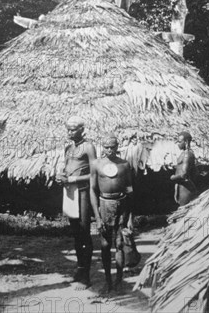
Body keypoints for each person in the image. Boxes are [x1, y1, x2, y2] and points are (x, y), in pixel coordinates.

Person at [55, 116, 96, 288]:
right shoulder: (68, 148)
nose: (70, 132)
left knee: (84, 231)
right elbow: (66, 168)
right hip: (70, 192)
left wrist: (74, 179)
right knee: (76, 233)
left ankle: (86, 275)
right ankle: (79, 269)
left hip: (83, 192)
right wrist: (61, 176)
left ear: (82, 129)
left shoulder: (88, 147)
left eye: (73, 129)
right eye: (68, 129)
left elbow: (95, 174)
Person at [90, 135, 134, 293]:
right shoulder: (96, 164)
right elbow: (93, 190)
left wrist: (130, 217)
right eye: (106, 147)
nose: (109, 150)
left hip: (122, 205)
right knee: (105, 245)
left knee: (120, 244)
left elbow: (129, 190)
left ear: (117, 147)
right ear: (102, 146)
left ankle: (119, 280)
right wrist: (97, 217)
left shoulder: (124, 165)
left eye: (112, 147)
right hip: (104, 205)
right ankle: (107, 280)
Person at [170, 131, 197, 206]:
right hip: (181, 186)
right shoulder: (183, 154)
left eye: (179, 141)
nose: (178, 143)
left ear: (186, 141)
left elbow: (184, 174)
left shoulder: (187, 154)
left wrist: (172, 177)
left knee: (185, 209)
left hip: (186, 188)